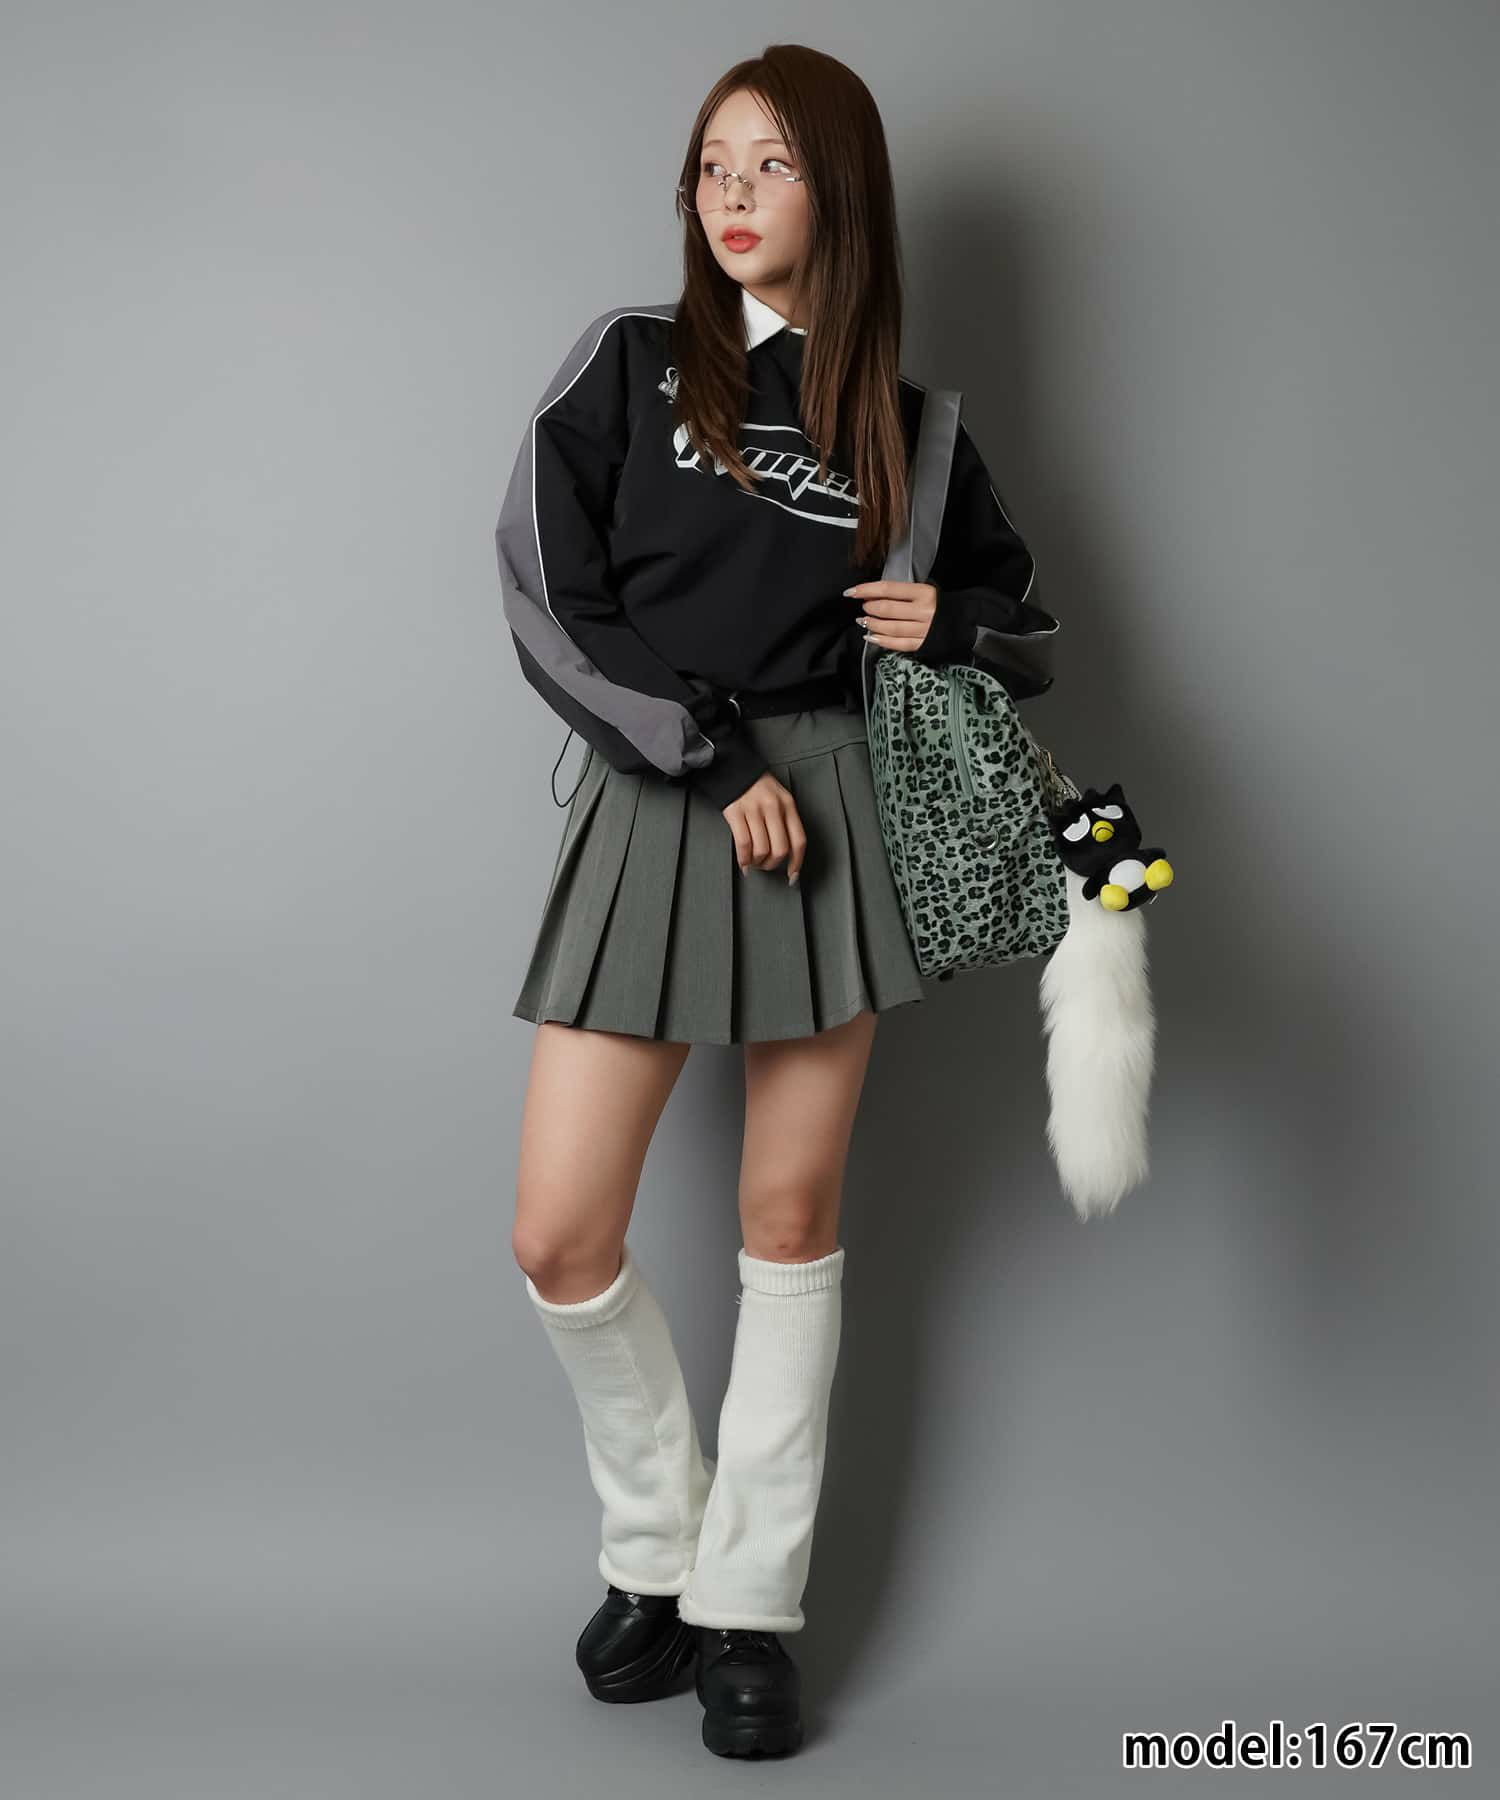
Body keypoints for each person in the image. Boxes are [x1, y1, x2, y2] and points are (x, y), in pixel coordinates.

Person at [493, 44, 1060, 1762]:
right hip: (669, 791)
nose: (733, 196)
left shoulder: (915, 431)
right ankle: (657, 1543)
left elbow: (1029, 632)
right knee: (559, 1232)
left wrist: (953, 623)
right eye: (714, 165)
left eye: (775, 166)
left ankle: (748, 1606)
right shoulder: (631, 363)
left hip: (831, 816)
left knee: (789, 1219)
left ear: (843, 194)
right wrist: (706, 749)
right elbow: (547, 596)